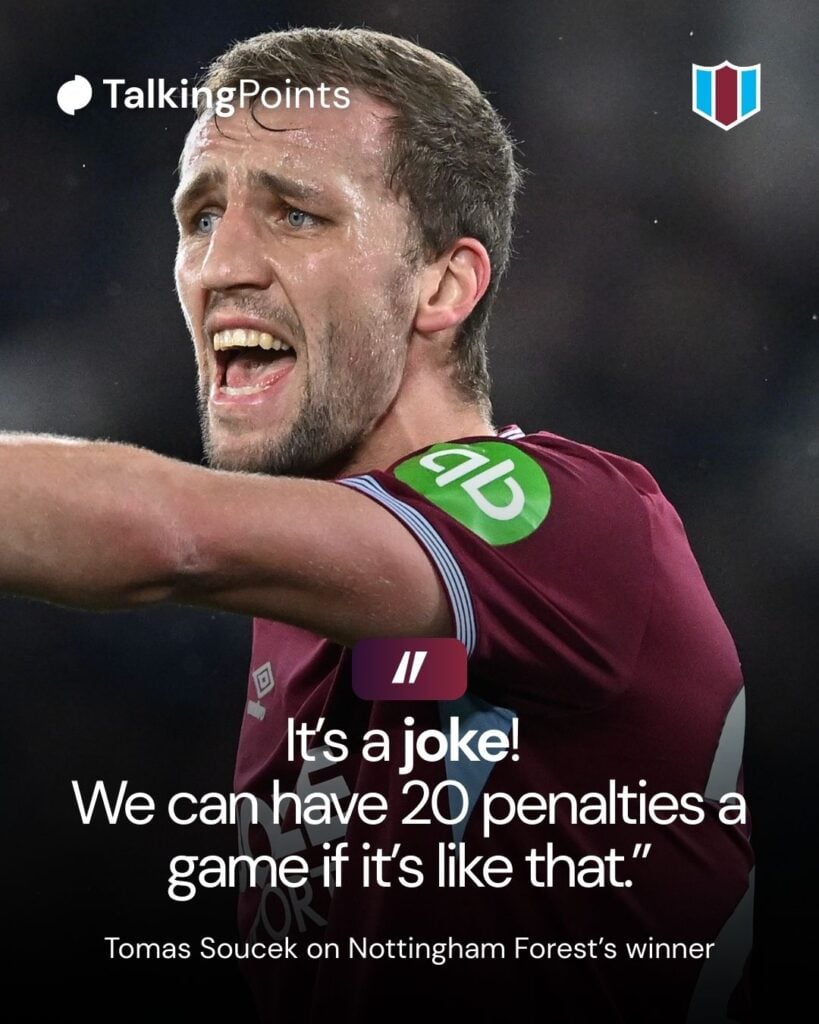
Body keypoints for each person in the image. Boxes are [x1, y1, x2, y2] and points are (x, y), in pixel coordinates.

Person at [2, 27, 752, 1024]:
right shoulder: (302, 619)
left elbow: (166, 534)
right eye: (201, 218)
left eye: (298, 214)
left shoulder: (574, 521)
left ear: (444, 284)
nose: (221, 264)